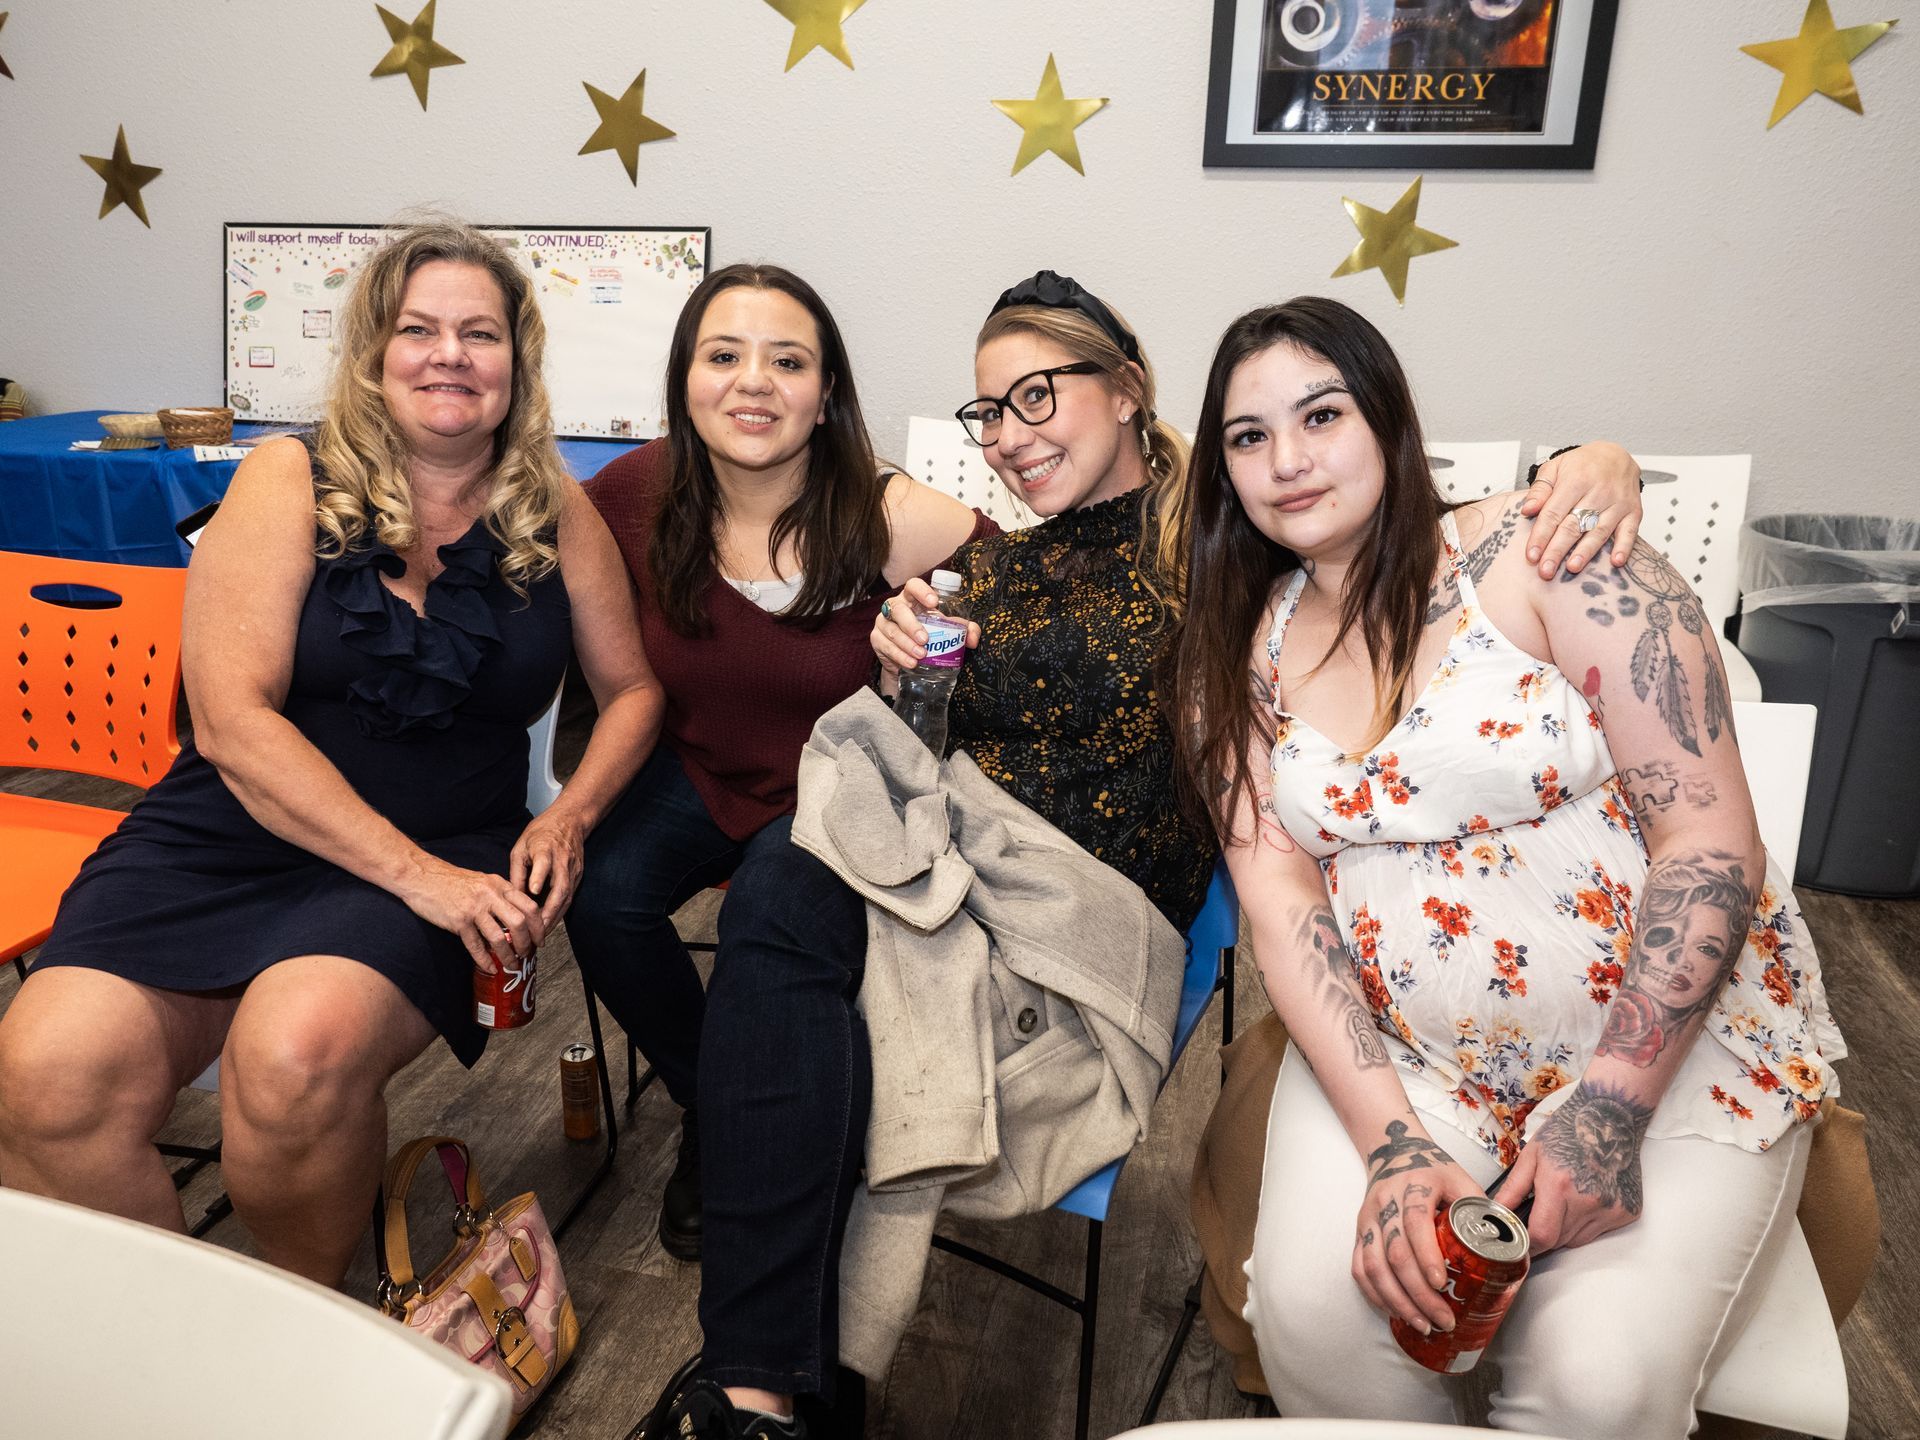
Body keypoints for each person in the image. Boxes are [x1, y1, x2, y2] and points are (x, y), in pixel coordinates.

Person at [635, 272, 1649, 1439]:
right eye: (989, 412)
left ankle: (775, 1388)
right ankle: (761, 1396)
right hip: (946, 868)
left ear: (1126, 389)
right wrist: (905, 660)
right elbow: (927, 745)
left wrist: (1596, 461)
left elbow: (1421, 527)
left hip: (1080, 921)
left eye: (1036, 396)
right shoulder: (993, 569)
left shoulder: (1232, 546)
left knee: (798, 1005)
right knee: (780, 876)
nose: (1009, 437)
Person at [1166, 296, 1844, 1437]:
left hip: (1666, 1053)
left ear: (1389, 420)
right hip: (1415, 1059)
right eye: (1248, 436)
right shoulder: (1234, 653)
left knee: (1595, 1383)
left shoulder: (1548, 555)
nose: (1287, 460)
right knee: (1318, 1316)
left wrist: (1609, 1112)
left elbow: (1710, 839)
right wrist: (1393, 1145)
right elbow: (1279, 901)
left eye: (1322, 415)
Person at [0, 220, 663, 1286]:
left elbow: (633, 691)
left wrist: (568, 815)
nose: (449, 355)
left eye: (480, 334)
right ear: (372, 352)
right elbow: (231, 722)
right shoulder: (286, 477)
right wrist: (420, 879)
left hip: (449, 840)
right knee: (42, 1077)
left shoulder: (556, 512)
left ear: (518, 361)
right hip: (237, 831)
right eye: (419, 329)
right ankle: (167, 1337)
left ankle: (307, 1325)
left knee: (292, 1059)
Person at [569, 263, 988, 1261]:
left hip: (830, 785)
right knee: (599, 896)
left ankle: (748, 1135)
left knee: (765, 920)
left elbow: (1026, 605)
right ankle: (714, 1101)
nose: (753, 381)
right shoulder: (631, 494)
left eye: (788, 362)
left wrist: (941, 637)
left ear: (826, 392)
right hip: (697, 768)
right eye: (724, 355)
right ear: (685, 379)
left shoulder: (886, 512)